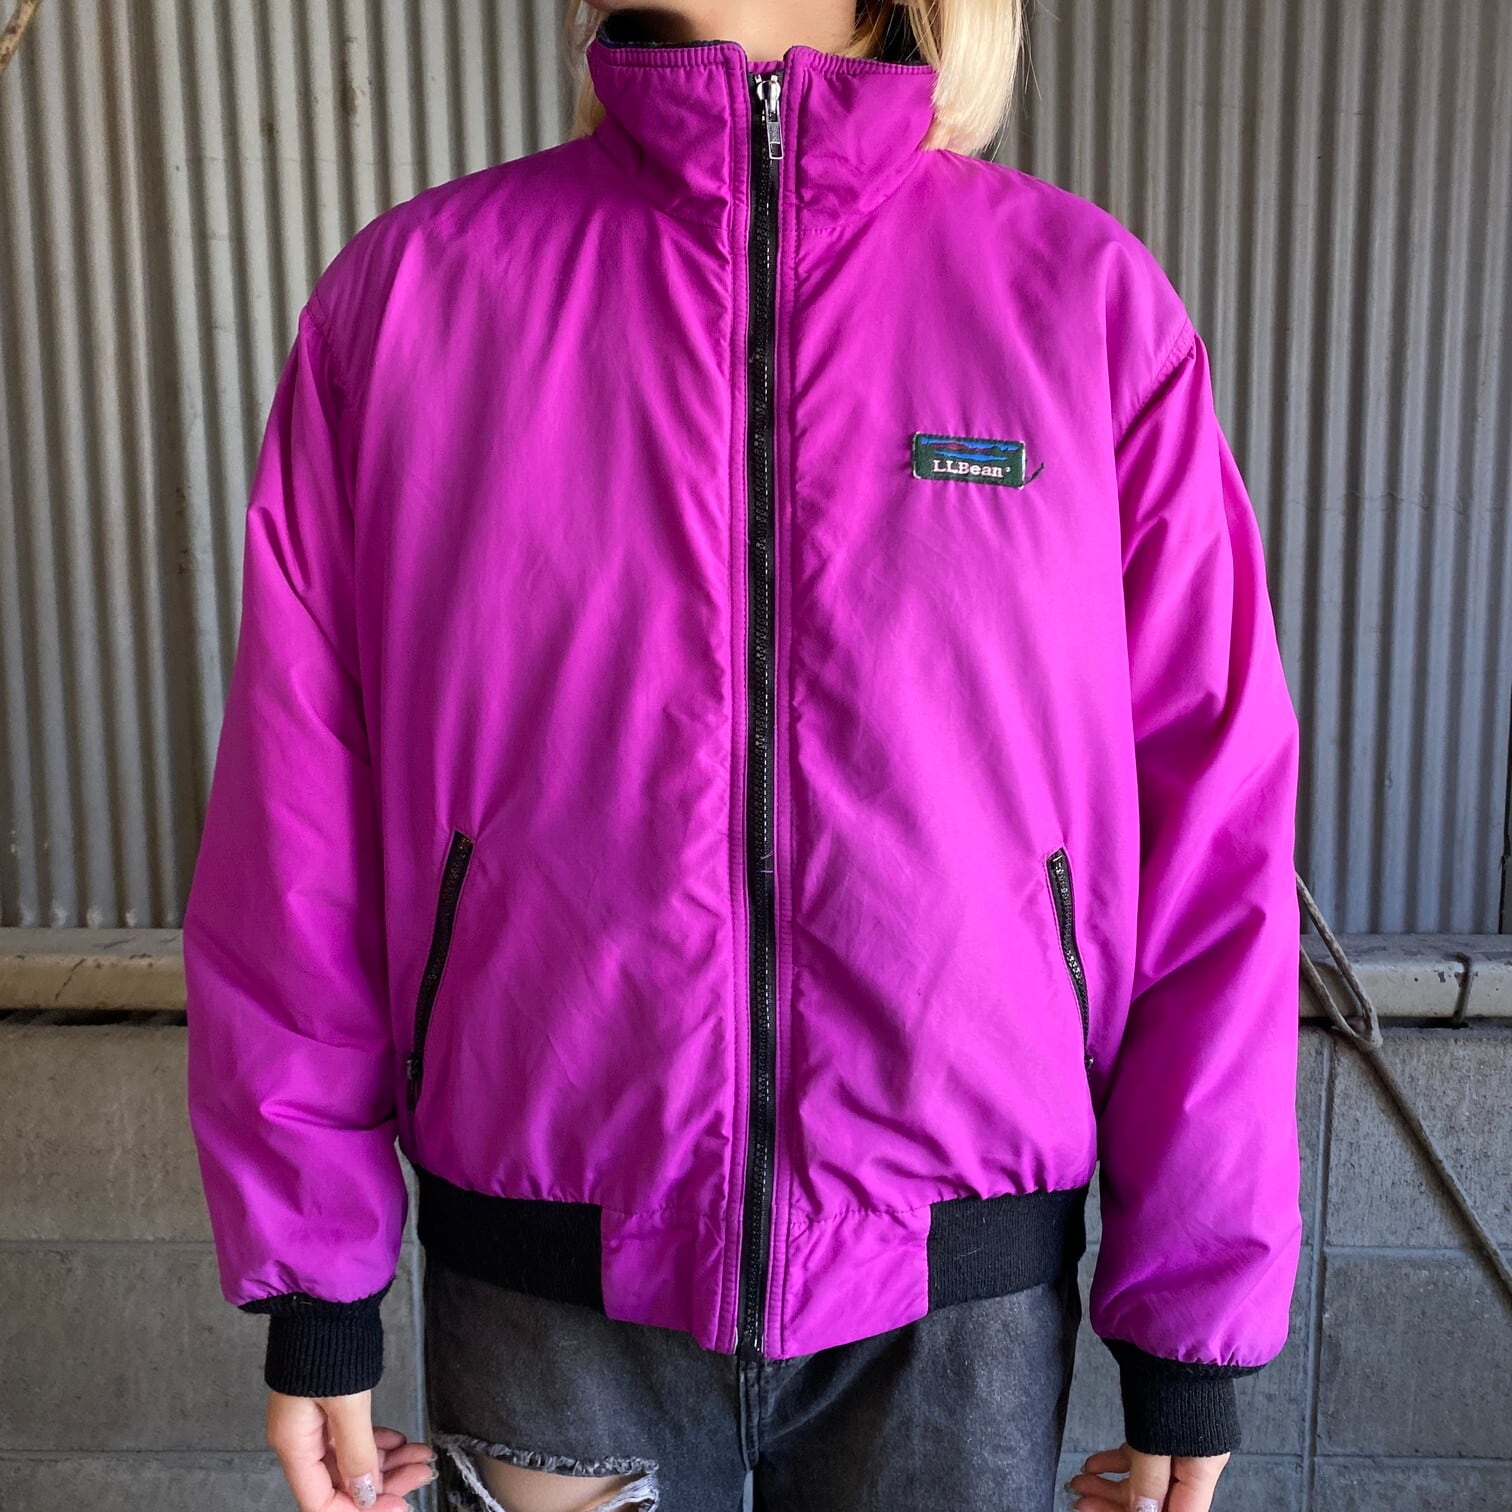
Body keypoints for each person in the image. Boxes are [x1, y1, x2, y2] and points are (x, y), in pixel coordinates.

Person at [182, 1, 1305, 1509]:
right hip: (549, 1276)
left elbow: (1212, 832)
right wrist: (314, 1282)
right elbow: (296, 813)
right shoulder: (416, 303)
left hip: (956, 1298)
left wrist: (1192, 1322)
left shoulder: (1084, 308)